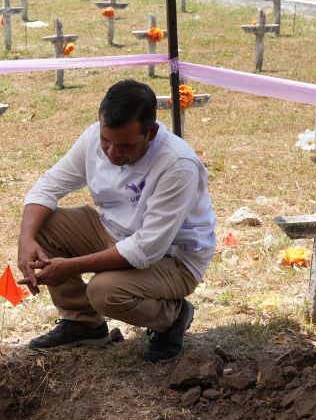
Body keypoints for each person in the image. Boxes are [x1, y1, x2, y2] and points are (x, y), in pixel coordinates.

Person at [17, 79, 216, 361]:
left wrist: (70, 267)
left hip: (174, 259)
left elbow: (146, 248)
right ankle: (83, 324)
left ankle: (172, 316)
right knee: (42, 226)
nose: (112, 153)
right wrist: (26, 242)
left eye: (125, 146)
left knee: (104, 292)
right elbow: (47, 187)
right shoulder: (95, 138)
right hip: (113, 230)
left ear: (151, 133)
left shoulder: (177, 165)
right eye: (105, 141)